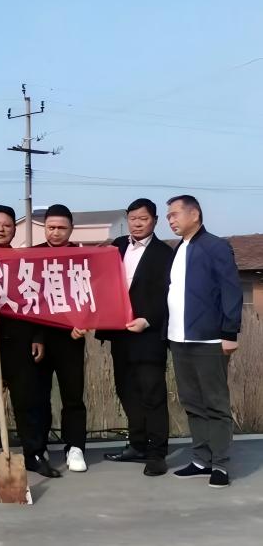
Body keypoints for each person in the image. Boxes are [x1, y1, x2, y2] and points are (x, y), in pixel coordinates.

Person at [0, 206, 59, 479]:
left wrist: (38, 336)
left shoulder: (24, 262)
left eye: (7, 225)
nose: (1, 229)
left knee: (28, 400)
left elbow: (38, 302)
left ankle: (34, 454)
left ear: (14, 230)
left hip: (20, 341)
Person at [165, 195, 242, 488]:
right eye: (168, 216)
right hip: (179, 338)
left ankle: (220, 464)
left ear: (194, 214)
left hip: (209, 338)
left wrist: (230, 332)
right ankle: (201, 459)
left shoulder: (215, 246)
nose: (171, 220)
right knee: (192, 402)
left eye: (175, 214)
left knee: (215, 402)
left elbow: (231, 289)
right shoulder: (179, 248)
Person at [96, 199, 174, 476]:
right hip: (120, 333)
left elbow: (169, 295)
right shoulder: (117, 246)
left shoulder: (165, 253)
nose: (137, 224)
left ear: (155, 221)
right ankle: (137, 444)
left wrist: (148, 319)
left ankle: (157, 453)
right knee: (126, 390)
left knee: (152, 393)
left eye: (143, 219)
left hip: (148, 334)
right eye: (132, 219)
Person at [33, 204, 89, 473]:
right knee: (38, 396)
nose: (55, 232)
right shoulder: (32, 257)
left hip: (71, 337)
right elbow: (27, 301)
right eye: (51, 227)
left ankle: (75, 447)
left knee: (73, 395)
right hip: (39, 340)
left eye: (61, 228)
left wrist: (84, 323)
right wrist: (36, 336)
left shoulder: (83, 257)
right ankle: (39, 445)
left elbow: (93, 295)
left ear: (71, 229)